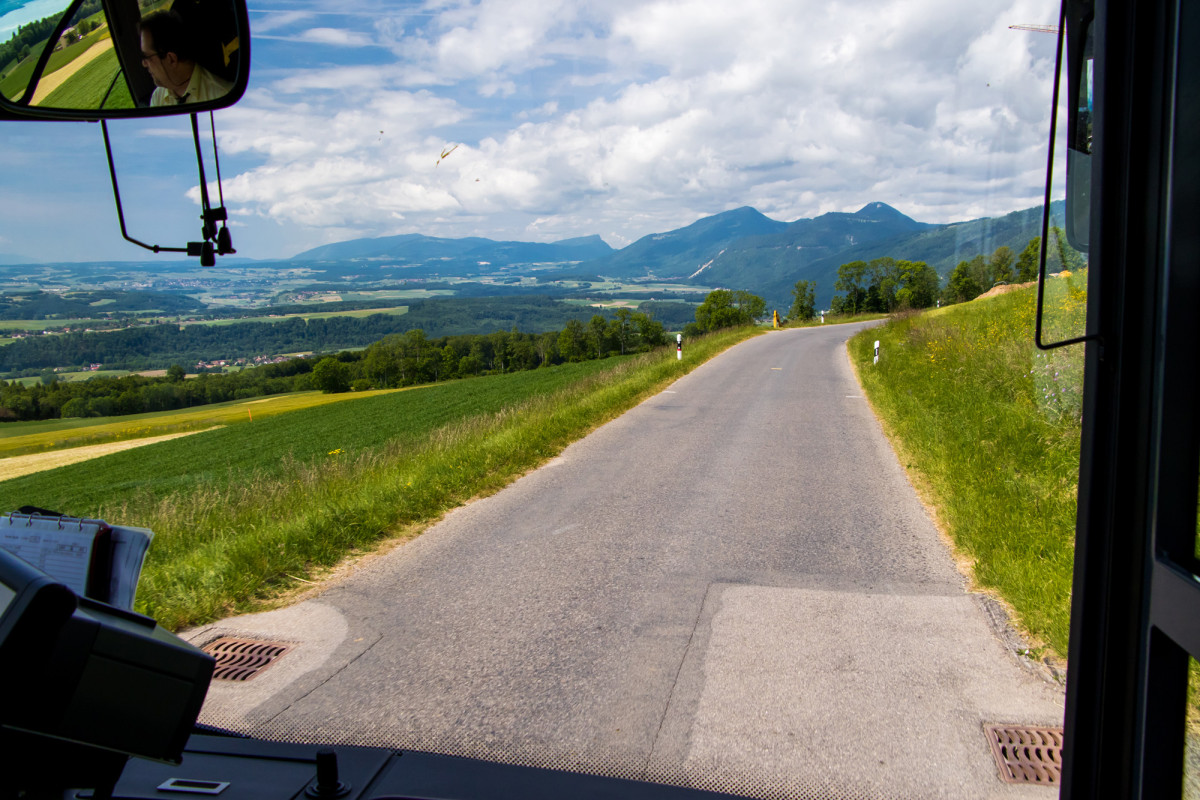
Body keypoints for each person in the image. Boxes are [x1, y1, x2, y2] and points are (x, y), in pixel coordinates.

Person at [138, 10, 232, 107]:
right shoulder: (158, 97)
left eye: (147, 57)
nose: (144, 63)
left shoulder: (223, 97)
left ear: (171, 59)